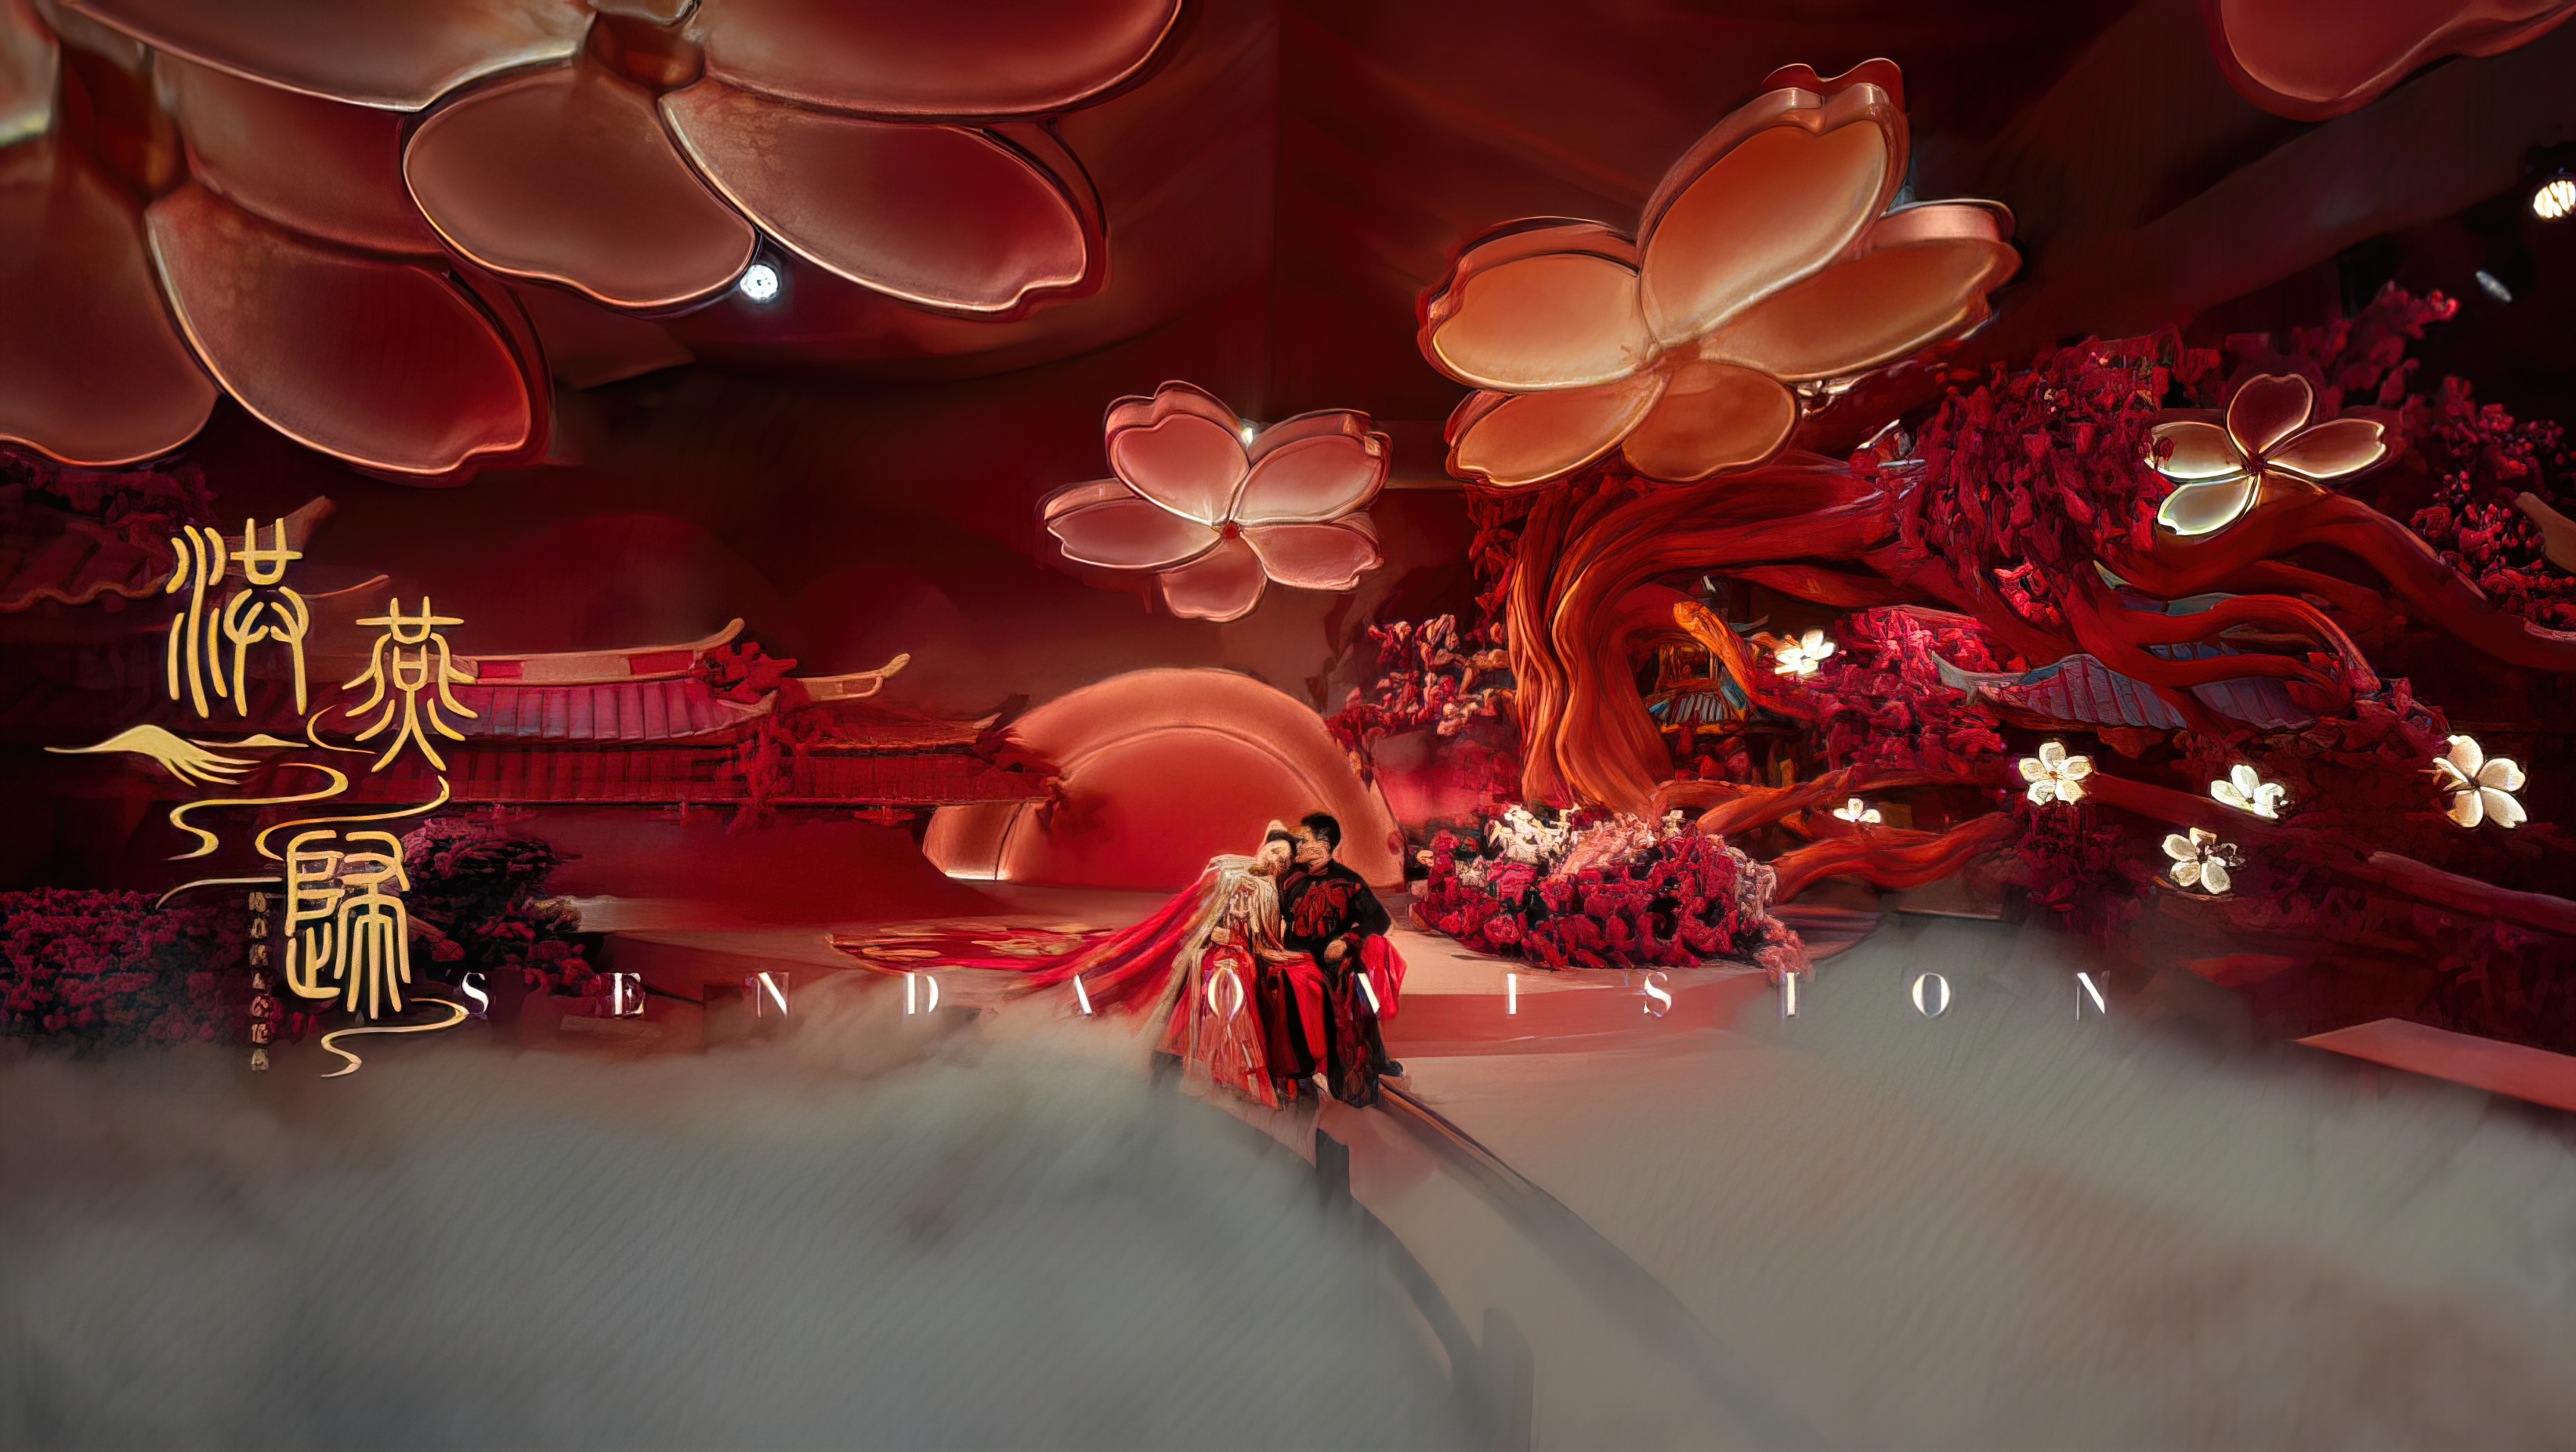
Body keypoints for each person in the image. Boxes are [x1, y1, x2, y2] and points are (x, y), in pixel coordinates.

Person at [946, 824, 1326, 1110]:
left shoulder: (1268, 892)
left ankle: (1233, 1070)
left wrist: (1261, 948)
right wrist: (1209, 934)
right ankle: (1209, 1066)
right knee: (1213, 972)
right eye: (1274, 851)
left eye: (1283, 860)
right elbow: (1193, 909)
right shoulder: (1227, 867)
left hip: (1236, 952)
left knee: (1239, 972)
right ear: (1263, 847)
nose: (1275, 860)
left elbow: (1264, 941)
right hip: (1204, 945)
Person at [1279, 812, 1406, 1105]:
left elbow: (1379, 921)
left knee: (1354, 991)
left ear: (1324, 844)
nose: (1297, 846)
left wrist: (1347, 941)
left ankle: (1363, 1067)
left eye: (1304, 840)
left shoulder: (1349, 881)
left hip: (1333, 963)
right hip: (1294, 963)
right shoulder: (1289, 880)